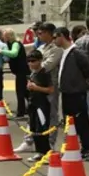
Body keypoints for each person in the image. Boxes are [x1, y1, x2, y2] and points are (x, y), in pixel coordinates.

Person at [15, 23, 63, 154]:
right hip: (35, 85)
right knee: (33, 115)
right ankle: (29, 141)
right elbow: (34, 62)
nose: (38, 35)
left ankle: (50, 143)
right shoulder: (41, 47)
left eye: (40, 32)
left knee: (51, 116)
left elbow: (47, 65)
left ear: (49, 33)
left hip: (48, 85)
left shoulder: (56, 49)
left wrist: (37, 62)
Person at [52, 26, 89, 160]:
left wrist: (80, 83)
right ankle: (73, 146)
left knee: (81, 121)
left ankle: (87, 149)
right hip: (66, 92)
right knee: (70, 123)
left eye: (55, 37)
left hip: (76, 92)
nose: (54, 41)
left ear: (61, 36)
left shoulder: (77, 52)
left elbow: (88, 69)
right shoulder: (65, 52)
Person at [25, 49, 54, 162]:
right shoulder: (33, 73)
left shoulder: (44, 73)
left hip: (41, 104)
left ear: (40, 60)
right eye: (29, 61)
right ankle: (39, 152)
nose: (31, 63)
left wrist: (36, 88)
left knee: (41, 128)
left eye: (33, 61)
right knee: (34, 128)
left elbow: (50, 90)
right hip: (33, 103)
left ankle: (46, 152)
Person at [0, 28, 28, 119]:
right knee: (25, 92)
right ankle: (28, 109)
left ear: (9, 36)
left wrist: (0, 51)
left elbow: (14, 54)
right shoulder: (10, 44)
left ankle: (21, 112)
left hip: (22, 71)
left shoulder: (15, 44)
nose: (3, 37)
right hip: (19, 71)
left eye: (5, 36)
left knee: (20, 91)